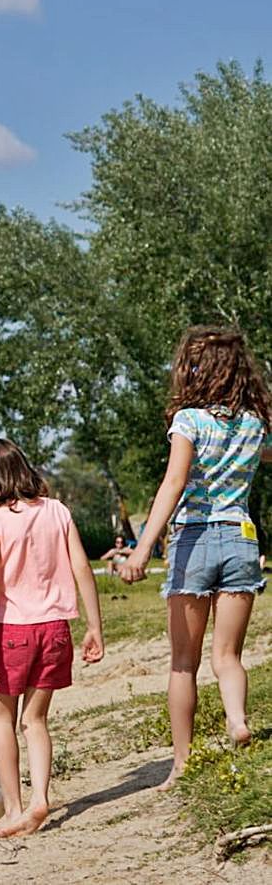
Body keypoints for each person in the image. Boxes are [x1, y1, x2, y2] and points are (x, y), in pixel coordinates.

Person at [120, 326, 270, 788]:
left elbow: (174, 482)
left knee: (183, 663)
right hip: (241, 540)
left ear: (195, 370)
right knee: (228, 656)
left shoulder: (188, 421)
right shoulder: (254, 424)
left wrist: (142, 547)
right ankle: (237, 719)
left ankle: (182, 763)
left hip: (193, 542)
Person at [0, 439, 105, 836]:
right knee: (36, 720)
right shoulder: (57, 510)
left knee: (2, 719)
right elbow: (81, 566)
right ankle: (40, 797)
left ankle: (14, 808)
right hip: (56, 630)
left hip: (12, 632)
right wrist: (94, 625)